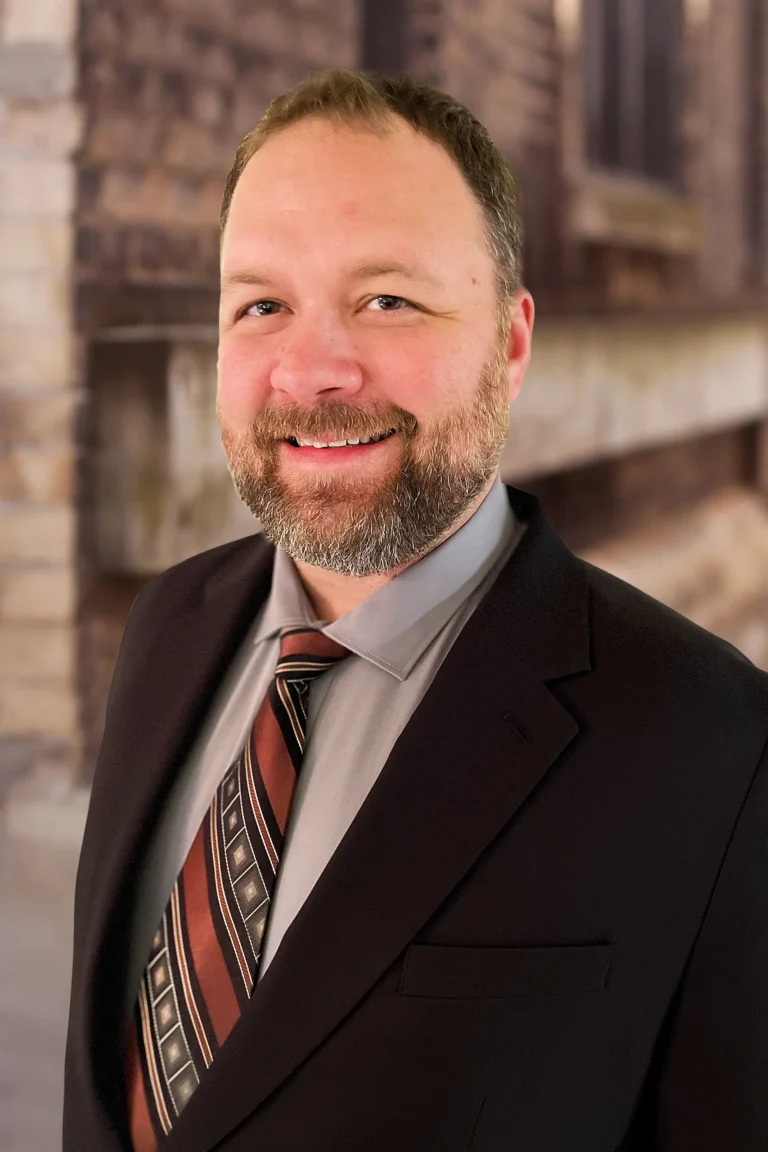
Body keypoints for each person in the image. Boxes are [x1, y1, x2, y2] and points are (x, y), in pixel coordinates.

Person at [64, 68, 768, 1152]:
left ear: (513, 341)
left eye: (387, 299)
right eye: (261, 305)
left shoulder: (717, 745)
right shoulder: (167, 628)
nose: (314, 370)